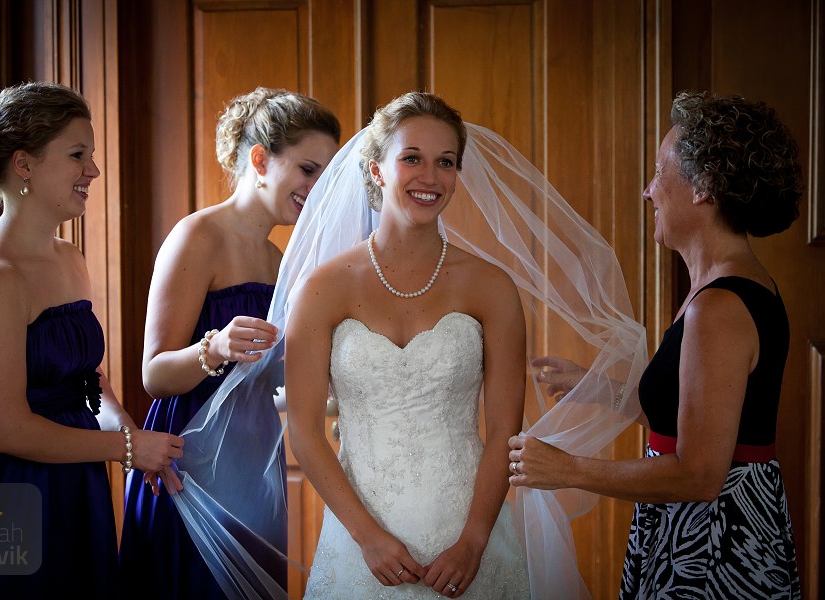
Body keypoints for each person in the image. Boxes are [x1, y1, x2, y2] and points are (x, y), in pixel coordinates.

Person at [509, 90, 802, 598]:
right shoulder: (716, 290)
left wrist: (567, 469)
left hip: (714, 549)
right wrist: (600, 389)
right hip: (705, 531)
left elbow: (699, 475)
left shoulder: (720, 307)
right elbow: (691, 422)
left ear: (704, 188)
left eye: (658, 172)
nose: (648, 191)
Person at [0, 81, 185, 597]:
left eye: (90, 156)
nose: (92, 170)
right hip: (6, 488)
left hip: (77, 476)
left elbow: (85, 378)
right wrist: (125, 447)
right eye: (77, 155)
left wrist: (122, 423)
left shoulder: (69, 259)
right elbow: (6, 430)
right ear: (23, 165)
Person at [285, 91, 530, 599]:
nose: (431, 177)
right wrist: (367, 537)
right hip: (362, 540)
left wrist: (474, 542)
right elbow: (305, 432)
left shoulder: (491, 286)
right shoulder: (321, 288)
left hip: (466, 536)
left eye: (446, 162)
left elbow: (506, 428)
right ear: (376, 170)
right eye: (412, 158)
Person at [119, 86, 340, 598]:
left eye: (326, 176)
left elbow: (270, 376)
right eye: (309, 170)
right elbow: (154, 375)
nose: (318, 187)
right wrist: (213, 348)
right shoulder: (197, 237)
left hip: (255, 466)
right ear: (261, 159)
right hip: (189, 460)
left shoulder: (276, 261)